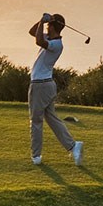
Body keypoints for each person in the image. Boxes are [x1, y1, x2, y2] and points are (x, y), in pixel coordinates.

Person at [29, 12, 82, 166]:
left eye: (48, 24)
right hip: (47, 85)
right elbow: (33, 32)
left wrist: (43, 21)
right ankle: (73, 146)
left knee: (36, 121)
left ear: (53, 26)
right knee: (51, 118)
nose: (46, 26)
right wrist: (41, 20)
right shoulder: (50, 38)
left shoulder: (56, 44)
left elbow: (38, 40)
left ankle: (36, 156)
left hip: (40, 85)